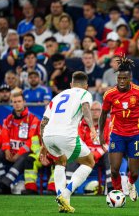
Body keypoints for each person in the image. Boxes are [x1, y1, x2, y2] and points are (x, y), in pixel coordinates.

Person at [39, 71, 96, 213]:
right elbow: (86, 108)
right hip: (66, 135)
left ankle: (62, 203)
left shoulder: (57, 96)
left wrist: (43, 145)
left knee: (60, 162)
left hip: (48, 135)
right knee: (89, 162)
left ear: (71, 84)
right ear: (86, 86)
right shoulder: (84, 93)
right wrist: (92, 128)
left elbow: (43, 122)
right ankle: (65, 193)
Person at [99, 57, 139, 202]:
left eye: (124, 78)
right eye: (119, 78)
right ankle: (119, 192)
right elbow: (103, 114)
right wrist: (100, 134)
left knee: (134, 173)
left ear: (130, 78)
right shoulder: (109, 94)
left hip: (134, 134)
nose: (121, 81)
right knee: (115, 169)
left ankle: (131, 183)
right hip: (117, 133)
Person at [0, 92, 40, 194]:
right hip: (10, 151)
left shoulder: (33, 119)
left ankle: (4, 184)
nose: (17, 104)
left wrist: (19, 153)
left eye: (19, 101)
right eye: (14, 102)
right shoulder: (8, 119)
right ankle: (3, 183)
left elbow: (31, 140)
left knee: (23, 157)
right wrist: (7, 150)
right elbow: (4, 137)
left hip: (24, 152)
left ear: (24, 102)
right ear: (11, 103)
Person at [66, 101, 112, 194]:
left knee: (110, 155)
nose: (95, 112)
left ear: (102, 111)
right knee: (73, 154)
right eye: (92, 110)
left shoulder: (108, 123)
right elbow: (78, 141)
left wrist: (96, 153)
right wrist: (88, 153)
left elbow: (109, 142)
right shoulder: (81, 124)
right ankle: (69, 187)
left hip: (102, 153)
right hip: (85, 153)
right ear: (88, 112)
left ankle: (111, 187)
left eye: (98, 109)